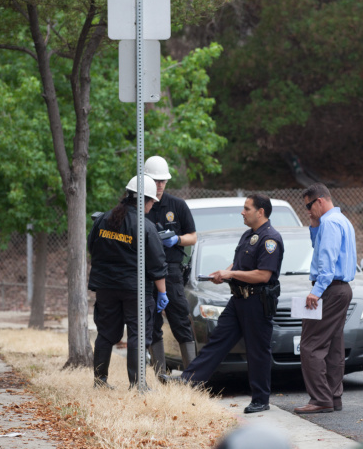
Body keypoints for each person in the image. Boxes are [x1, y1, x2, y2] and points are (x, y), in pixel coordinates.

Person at [173, 194, 284, 414]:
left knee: (257, 351)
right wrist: (224, 274)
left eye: (247, 208)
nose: (242, 212)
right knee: (217, 342)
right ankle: (188, 381)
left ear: (260, 212)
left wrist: (231, 273)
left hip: (257, 301)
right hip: (238, 300)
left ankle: (260, 399)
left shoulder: (270, 239)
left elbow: (263, 275)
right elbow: (240, 263)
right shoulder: (248, 235)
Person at [88, 174, 169, 390]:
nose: (152, 207)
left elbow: (92, 248)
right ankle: (137, 385)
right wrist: (162, 293)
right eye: (152, 202)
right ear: (145, 200)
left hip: (106, 287)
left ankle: (100, 382)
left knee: (105, 333)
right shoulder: (145, 226)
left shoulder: (103, 219)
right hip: (135, 290)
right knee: (138, 334)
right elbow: (157, 265)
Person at [294, 183, 356, 414]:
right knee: (334, 346)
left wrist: (316, 292)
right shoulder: (341, 221)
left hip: (329, 288)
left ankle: (320, 399)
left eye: (309, 206)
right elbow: (319, 247)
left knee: (311, 345)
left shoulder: (330, 223)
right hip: (342, 289)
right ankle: (333, 397)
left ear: (320, 200)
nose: (307, 211)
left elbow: (326, 262)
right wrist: (313, 224)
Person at [143, 156, 198, 381]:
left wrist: (177, 240)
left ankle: (194, 377)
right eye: (155, 180)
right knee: (152, 324)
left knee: (181, 322)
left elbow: (193, 237)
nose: (159, 185)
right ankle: (159, 377)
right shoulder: (141, 205)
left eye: (162, 181)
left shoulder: (177, 205)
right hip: (146, 273)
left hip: (172, 271)